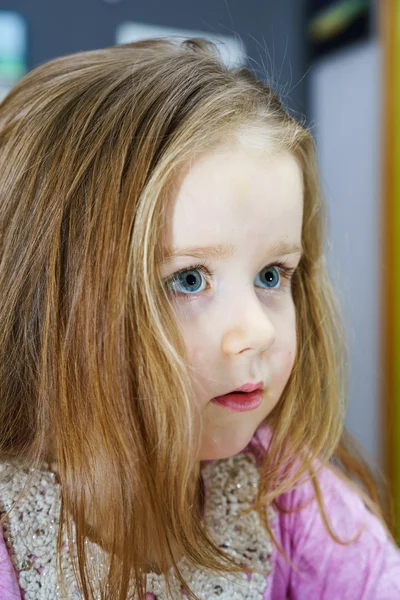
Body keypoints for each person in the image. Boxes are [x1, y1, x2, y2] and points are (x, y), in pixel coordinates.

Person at [0, 37, 398, 600]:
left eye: (271, 276)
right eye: (188, 280)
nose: (258, 332)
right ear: (47, 303)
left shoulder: (287, 495)